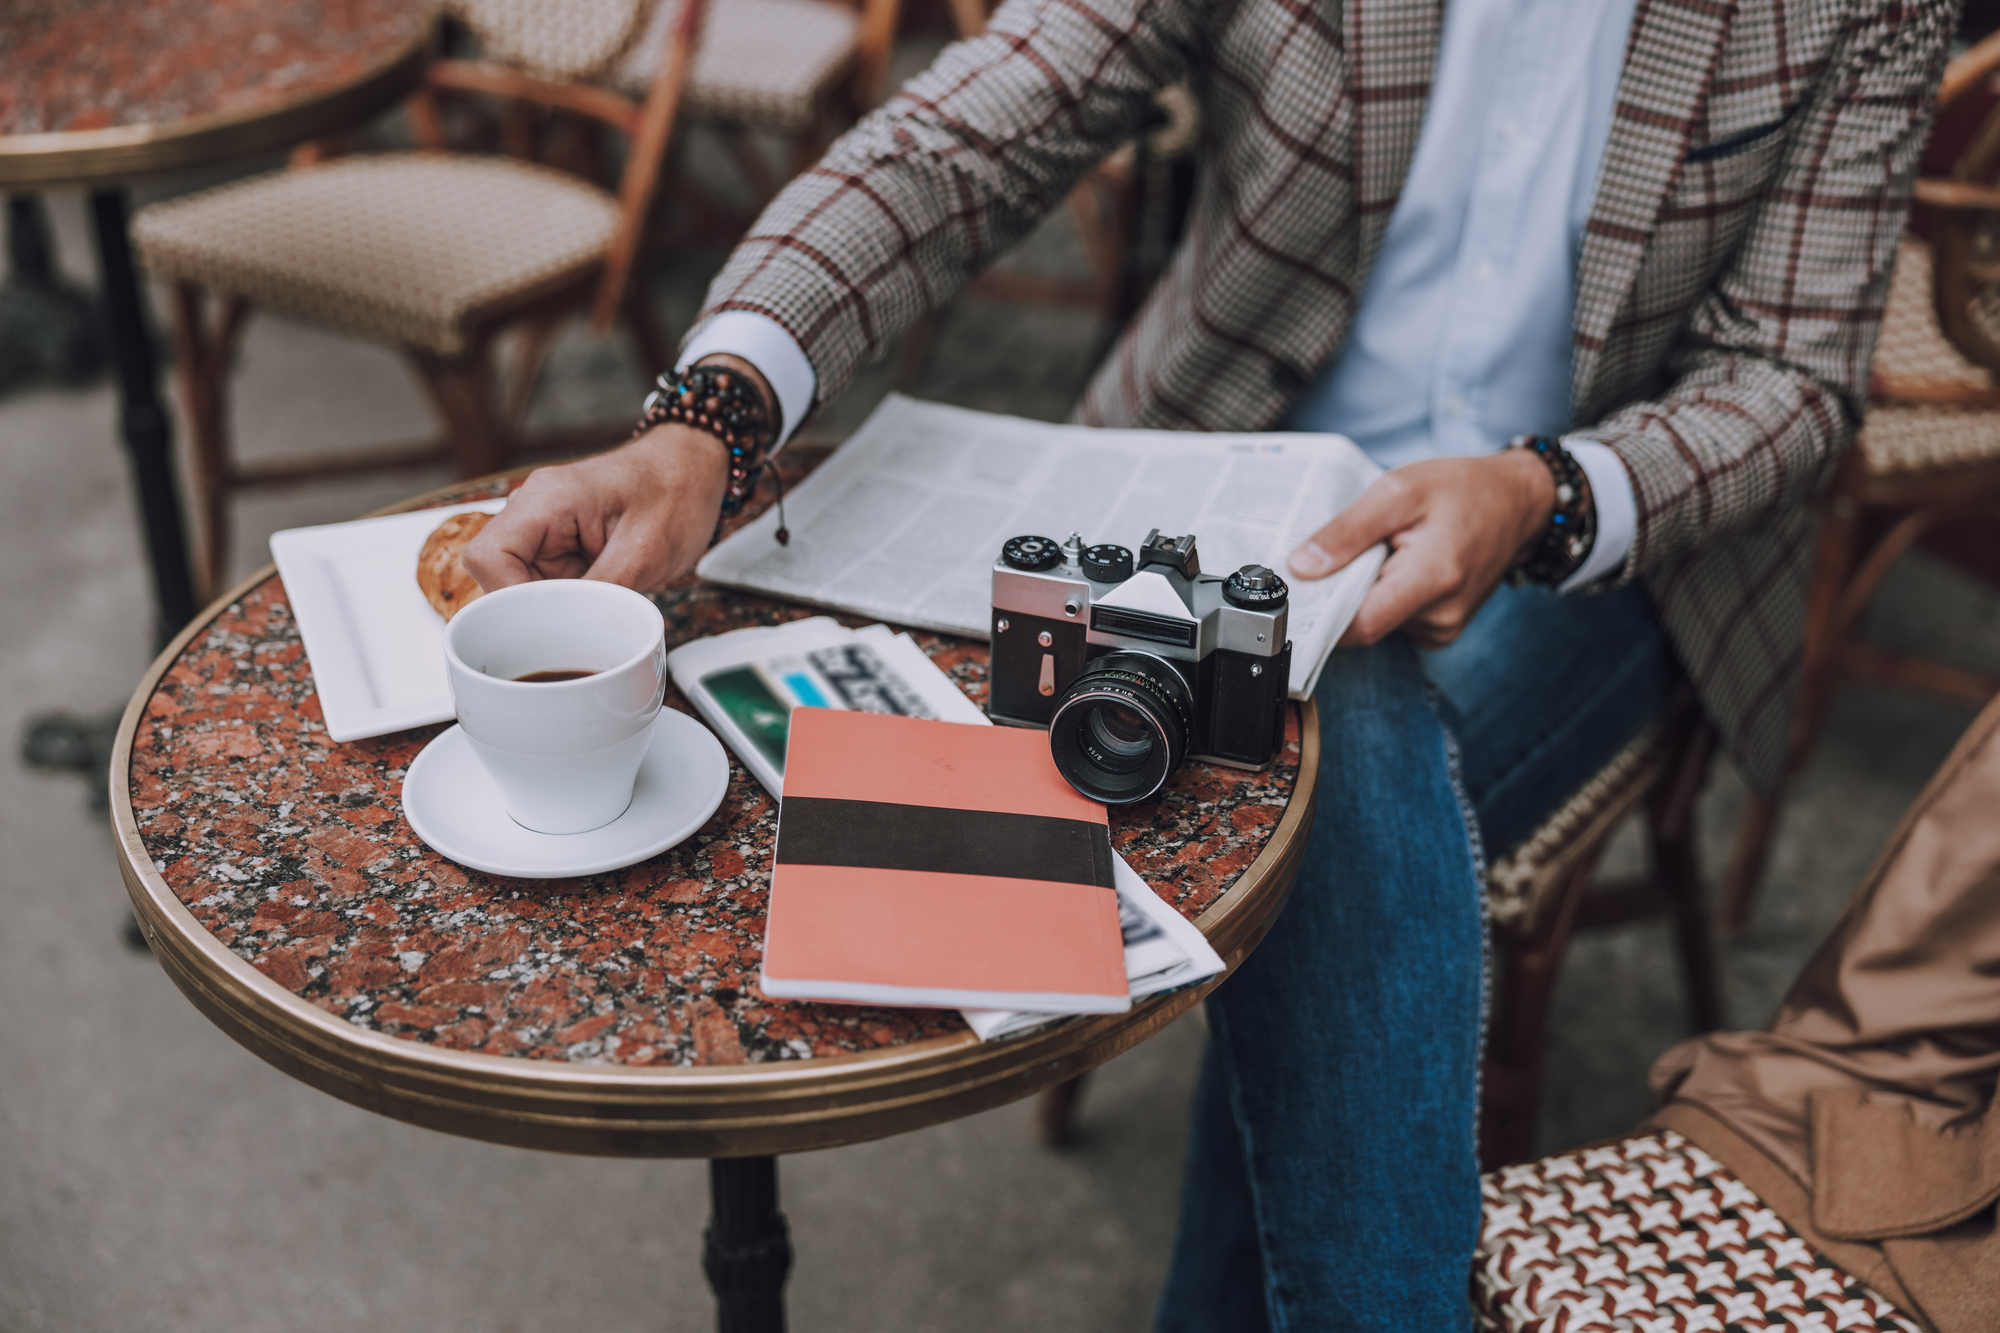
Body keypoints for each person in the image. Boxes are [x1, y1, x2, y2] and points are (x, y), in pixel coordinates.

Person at [465, 0, 1956, 1325]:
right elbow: (966, 133)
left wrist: (1544, 495)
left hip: (1607, 535)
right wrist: (707, 416)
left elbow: (1788, 376)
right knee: (1320, 751)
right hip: (1213, 462)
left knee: (1330, 754)